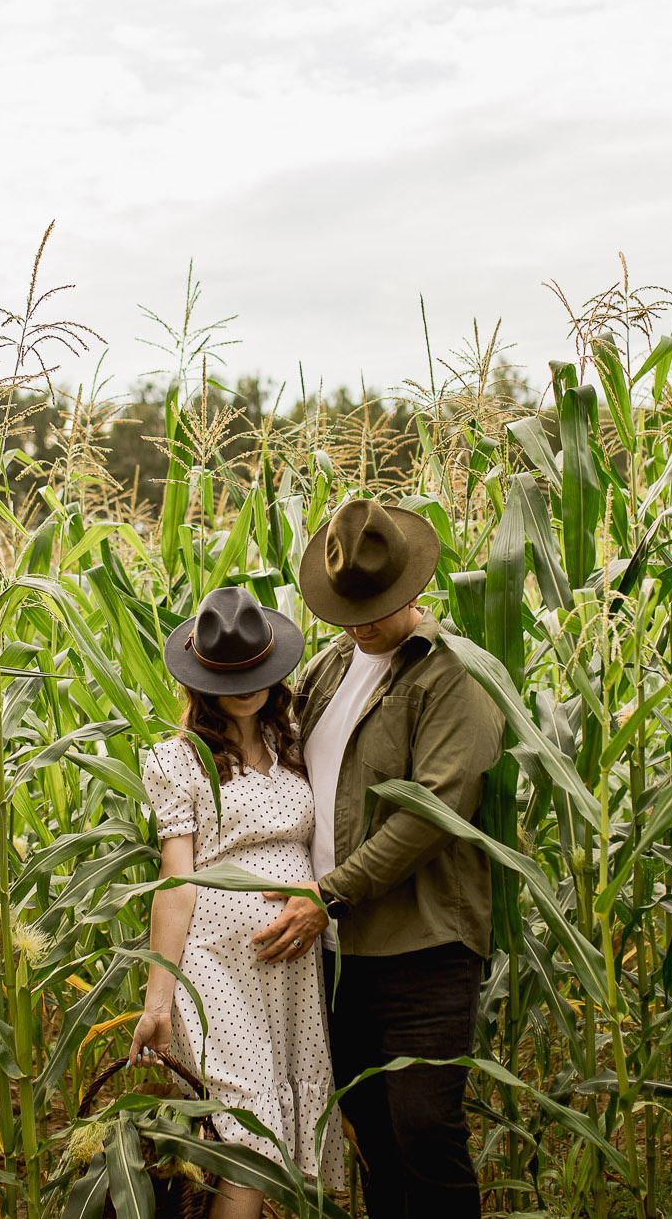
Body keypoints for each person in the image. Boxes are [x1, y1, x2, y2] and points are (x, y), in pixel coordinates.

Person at [250, 498, 506, 1218]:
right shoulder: (329, 666)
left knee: (426, 1134)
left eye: (374, 609)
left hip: (423, 948)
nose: (360, 626)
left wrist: (330, 893)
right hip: (338, 955)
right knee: (373, 1139)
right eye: (348, 611)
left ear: (410, 584)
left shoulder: (452, 675)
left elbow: (434, 809)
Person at [129, 585, 344, 1217]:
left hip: (292, 971)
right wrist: (158, 1000)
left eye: (256, 673)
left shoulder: (296, 743)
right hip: (218, 968)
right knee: (250, 1134)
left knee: (279, 1130)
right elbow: (175, 881)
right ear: (202, 683)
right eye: (230, 678)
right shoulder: (180, 761)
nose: (247, 688)